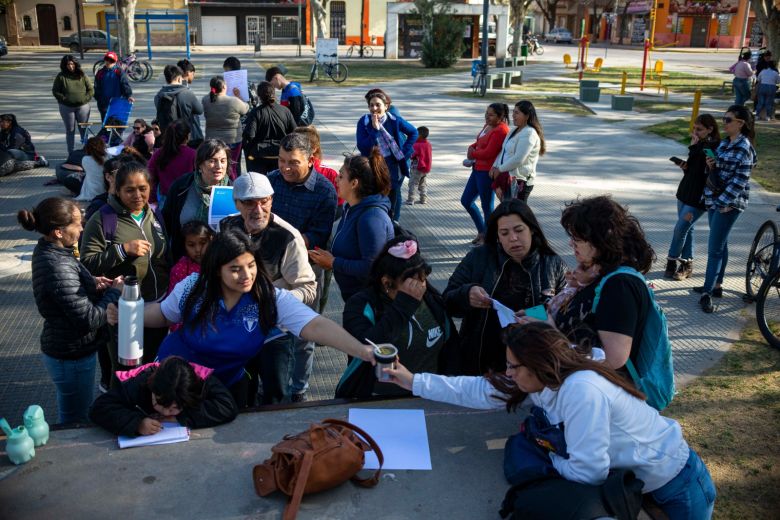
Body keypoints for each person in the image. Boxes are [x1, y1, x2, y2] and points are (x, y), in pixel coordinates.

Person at [384, 322, 716, 520]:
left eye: (513, 366)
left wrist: (550, 456)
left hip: (676, 486)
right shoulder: (549, 376)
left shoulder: (581, 391)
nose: (509, 373)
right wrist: (413, 381)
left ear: (538, 365)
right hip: (640, 485)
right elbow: (480, 389)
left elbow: (590, 471)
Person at [106, 228, 374, 407]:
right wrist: (129, 313)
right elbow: (163, 315)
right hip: (174, 380)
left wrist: (363, 351)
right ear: (216, 270)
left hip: (224, 387)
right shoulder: (193, 288)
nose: (246, 275)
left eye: (251, 265)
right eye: (235, 269)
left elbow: (314, 324)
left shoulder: (268, 297)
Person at [518, 195, 654, 374]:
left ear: (602, 240)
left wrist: (549, 332)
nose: (570, 243)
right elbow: (569, 312)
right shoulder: (596, 273)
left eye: (577, 239)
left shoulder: (620, 286)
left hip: (597, 393)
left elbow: (613, 360)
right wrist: (535, 314)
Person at [17, 197, 122, 424]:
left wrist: (90, 281)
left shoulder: (52, 252)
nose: (82, 228)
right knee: (76, 419)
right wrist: (115, 292)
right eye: (77, 224)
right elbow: (89, 318)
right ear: (58, 232)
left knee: (72, 410)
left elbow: (65, 288)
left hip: (66, 349)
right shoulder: (57, 264)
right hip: (71, 355)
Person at [220, 172, 317, 404]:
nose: (258, 209)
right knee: (240, 387)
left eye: (264, 201)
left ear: (272, 199)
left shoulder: (287, 237)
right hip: (236, 327)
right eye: (249, 202)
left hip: (274, 332)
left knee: (276, 394)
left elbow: (309, 288)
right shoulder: (227, 226)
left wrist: (272, 301)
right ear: (236, 203)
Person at [443, 200, 567, 375]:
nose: (513, 238)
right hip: (481, 363)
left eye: (519, 230)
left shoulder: (553, 264)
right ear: (497, 237)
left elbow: (565, 314)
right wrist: (466, 294)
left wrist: (535, 315)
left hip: (533, 366)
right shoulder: (479, 258)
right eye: (504, 233)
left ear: (531, 229)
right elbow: (447, 301)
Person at [81, 161, 170, 383]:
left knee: (152, 366)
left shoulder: (155, 214)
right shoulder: (103, 219)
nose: (137, 195)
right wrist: (122, 250)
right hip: (122, 310)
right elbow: (87, 264)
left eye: (143, 188)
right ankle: (122, 412)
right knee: (125, 372)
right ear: (117, 190)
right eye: (129, 190)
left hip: (156, 305)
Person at [340, 236, 461, 398]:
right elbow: (369, 345)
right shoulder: (361, 305)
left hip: (429, 393)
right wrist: (404, 305)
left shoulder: (431, 299)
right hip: (376, 398)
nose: (419, 289)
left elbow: (451, 347)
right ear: (387, 282)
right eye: (411, 283)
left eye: (422, 279)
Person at [268, 132, 337, 401]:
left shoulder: (324, 191)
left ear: (310, 160)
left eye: (293, 162)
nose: (285, 167)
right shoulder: (271, 181)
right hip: (269, 269)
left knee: (303, 333)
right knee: (271, 330)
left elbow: (318, 234)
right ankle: (272, 383)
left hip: (305, 272)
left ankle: (299, 388)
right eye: (281, 160)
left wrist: (284, 247)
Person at [309, 150, 394, 304]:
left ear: (354, 183)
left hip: (371, 303)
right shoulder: (352, 208)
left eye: (341, 176)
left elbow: (371, 267)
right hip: (355, 298)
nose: (336, 179)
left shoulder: (372, 218)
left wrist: (334, 262)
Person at [695, 106, 756, 313]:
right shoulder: (725, 143)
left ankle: (707, 292)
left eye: (728, 119)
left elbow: (740, 180)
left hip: (729, 204)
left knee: (714, 250)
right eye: (724, 118)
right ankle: (717, 285)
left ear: (741, 123)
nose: (724, 122)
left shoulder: (743, 148)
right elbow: (719, 171)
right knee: (721, 243)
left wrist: (724, 202)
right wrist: (712, 164)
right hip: (714, 199)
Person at [89, 356, 238, 437]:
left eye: (174, 408)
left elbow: (228, 406)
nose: (165, 413)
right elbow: (99, 408)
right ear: (152, 390)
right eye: (160, 404)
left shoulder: (200, 381)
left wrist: (181, 417)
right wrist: (137, 423)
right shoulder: (138, 383)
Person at [664, 114, 720, 281]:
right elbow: (693, 170)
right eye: (694, 128)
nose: (695, 132)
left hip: (698, 198)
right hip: (684, 193)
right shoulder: (698, 145)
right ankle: (687, 264)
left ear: (710, 129)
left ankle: (671, 260)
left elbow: (710, 172)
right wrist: (683, 165)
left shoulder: (714, 146)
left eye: (699, 129)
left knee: (680, 228)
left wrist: (694, 147)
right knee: (687, 229)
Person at [163, 139, 232, 261]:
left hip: (219, 261)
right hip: (184, 261)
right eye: (212, 161)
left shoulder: (233, 191)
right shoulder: (181, 187)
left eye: (223, 161)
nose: (219, 166)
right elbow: (166, 223)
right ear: (200, 164)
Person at [356, 89, 417, 221]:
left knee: (393, 194)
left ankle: (393, 222)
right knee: (375, 193)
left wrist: (404, 152)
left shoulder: (394, 120)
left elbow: (414, 132)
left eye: (378, 105)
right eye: (371, 105)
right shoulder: (364, 122)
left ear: (386, 106)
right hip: (374, 164)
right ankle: (378, 221)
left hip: (393, 164)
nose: (374, 108)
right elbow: (363, 147)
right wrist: (374, 130)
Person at [463, 103, 509, 244]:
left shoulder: (501, 130)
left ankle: (489, 238)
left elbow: (490, 152)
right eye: (486, 113)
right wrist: (471, 147)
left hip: (487, 172)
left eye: (491, 115)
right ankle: (483, 231)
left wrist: (473, 153)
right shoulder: (487, 126)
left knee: (486, 205)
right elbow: (478, 142)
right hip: (477, 169)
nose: (487, 117)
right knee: (466, 200)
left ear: (500, 116)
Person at [490, 100, 545, 202]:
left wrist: (499, 169)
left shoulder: (529, 133)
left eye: (517, 113)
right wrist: (495, 166)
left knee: (517, 214)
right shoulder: (514, 130)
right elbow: (503, 151)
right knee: (509, 212)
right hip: (507, 179)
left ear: (527, 116)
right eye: (513, 112)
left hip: (521, 181)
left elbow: (518, 159)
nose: (513, 116)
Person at [168, 220, 215, 332]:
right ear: (184, 245)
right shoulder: (179, 269)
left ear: (211, 240)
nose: (198, 250)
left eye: (203, 243)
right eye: (191, 245)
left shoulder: (219, 264)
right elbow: (173, 304)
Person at [242, 81, 296, 175]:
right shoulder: (285, 111)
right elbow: (294, 133)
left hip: (260, 156)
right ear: (274, 93)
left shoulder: (256, 112)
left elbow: (250, 135)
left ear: (259, 96)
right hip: (280, 154)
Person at [202, 75, 249, 179]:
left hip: (212, 140)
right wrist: (238, 96)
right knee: (231, 167)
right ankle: (232, 188)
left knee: (215, 167)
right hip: (232, 140)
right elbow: (246, 109)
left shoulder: (205, 100)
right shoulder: (233, 101)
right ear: (224, 87)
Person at [147, 119, 196, 208]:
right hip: (187, 200)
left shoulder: (158, 153)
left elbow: (150, 177)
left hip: (165, 200)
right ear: (188, 136)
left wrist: (152, 199)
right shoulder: (193, 154)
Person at [154, 64, 203, 148]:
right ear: (179, 78)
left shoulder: (159, 96)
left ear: (166, 78)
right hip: (187, 138)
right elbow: (199, 110)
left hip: (168, 138)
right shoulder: (187, 93)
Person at [52, 54, 93, 155]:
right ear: (64, 65)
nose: (70, 66)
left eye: (72, 64)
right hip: (67, 107)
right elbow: (55, 91)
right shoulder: (61, 76)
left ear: (76, 64)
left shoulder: (82, 75)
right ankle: (71, 153)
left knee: (83, 129)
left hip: (83, 107)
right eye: (68, 64)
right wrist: (64, 99)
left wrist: (85, 98)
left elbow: (91, 89)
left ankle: (86, 151)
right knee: (70, 130)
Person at [93, 51, 133, 122]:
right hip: (104, 104)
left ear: (115, 62)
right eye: (107, 59)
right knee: (105, 125)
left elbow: (125, 84)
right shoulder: (100, 72)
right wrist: (99, 98)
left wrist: (128, 95)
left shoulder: (119, 72)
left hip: (117, 102)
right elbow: (96, 87)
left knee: (117, 125)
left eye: (111, 60)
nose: (108, 62)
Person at [76, 136, 108, 202]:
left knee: (70, 180)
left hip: (91, 192)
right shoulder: (108, 157)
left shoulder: (85, 159)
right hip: (105, 189)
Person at [406, 126, 432, 205]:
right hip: (425, 168)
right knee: (422, 184)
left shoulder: (417, 145)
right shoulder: (428, 144)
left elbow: (412, 155)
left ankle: (411, 199)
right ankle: (423, 199)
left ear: (420, 135)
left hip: (417, 167)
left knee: (413, 183)